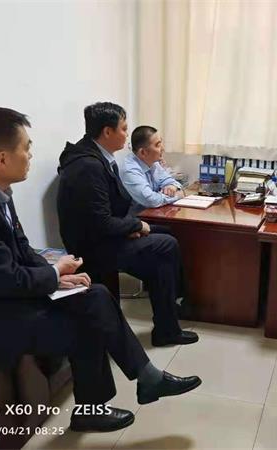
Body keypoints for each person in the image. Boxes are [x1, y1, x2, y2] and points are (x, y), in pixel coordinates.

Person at [0, 107, 202, 433]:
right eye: (26, 148)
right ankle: (106, 402)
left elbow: (22, 248)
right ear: (2, 158)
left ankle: (144, 380)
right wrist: (53, 275)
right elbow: (4, 280)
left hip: (6, 296)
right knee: (89, 319)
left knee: (95, 295)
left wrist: (59, 275)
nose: (31, 155)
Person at [57, 102, 198, 347]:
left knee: (167, 238)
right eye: (123, 128)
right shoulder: (88, 166)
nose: (127, 134)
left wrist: (130, 227)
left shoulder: (97, 156)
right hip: (93, 248)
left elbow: (105, 214)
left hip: (106, 235)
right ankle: (168, 323)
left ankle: (170, 317)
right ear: (107, 132)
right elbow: (100, 222)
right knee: (166, 245)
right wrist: (135, 227)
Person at [121, 125, 183, 215]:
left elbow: (169, 180)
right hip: (137, 219)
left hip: (154, 214)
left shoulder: (153, 162)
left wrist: (172, 187)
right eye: (158, 145)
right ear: (143, 152)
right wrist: (177, 195)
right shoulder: (130, 170)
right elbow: (151, 200)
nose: (163, 149)